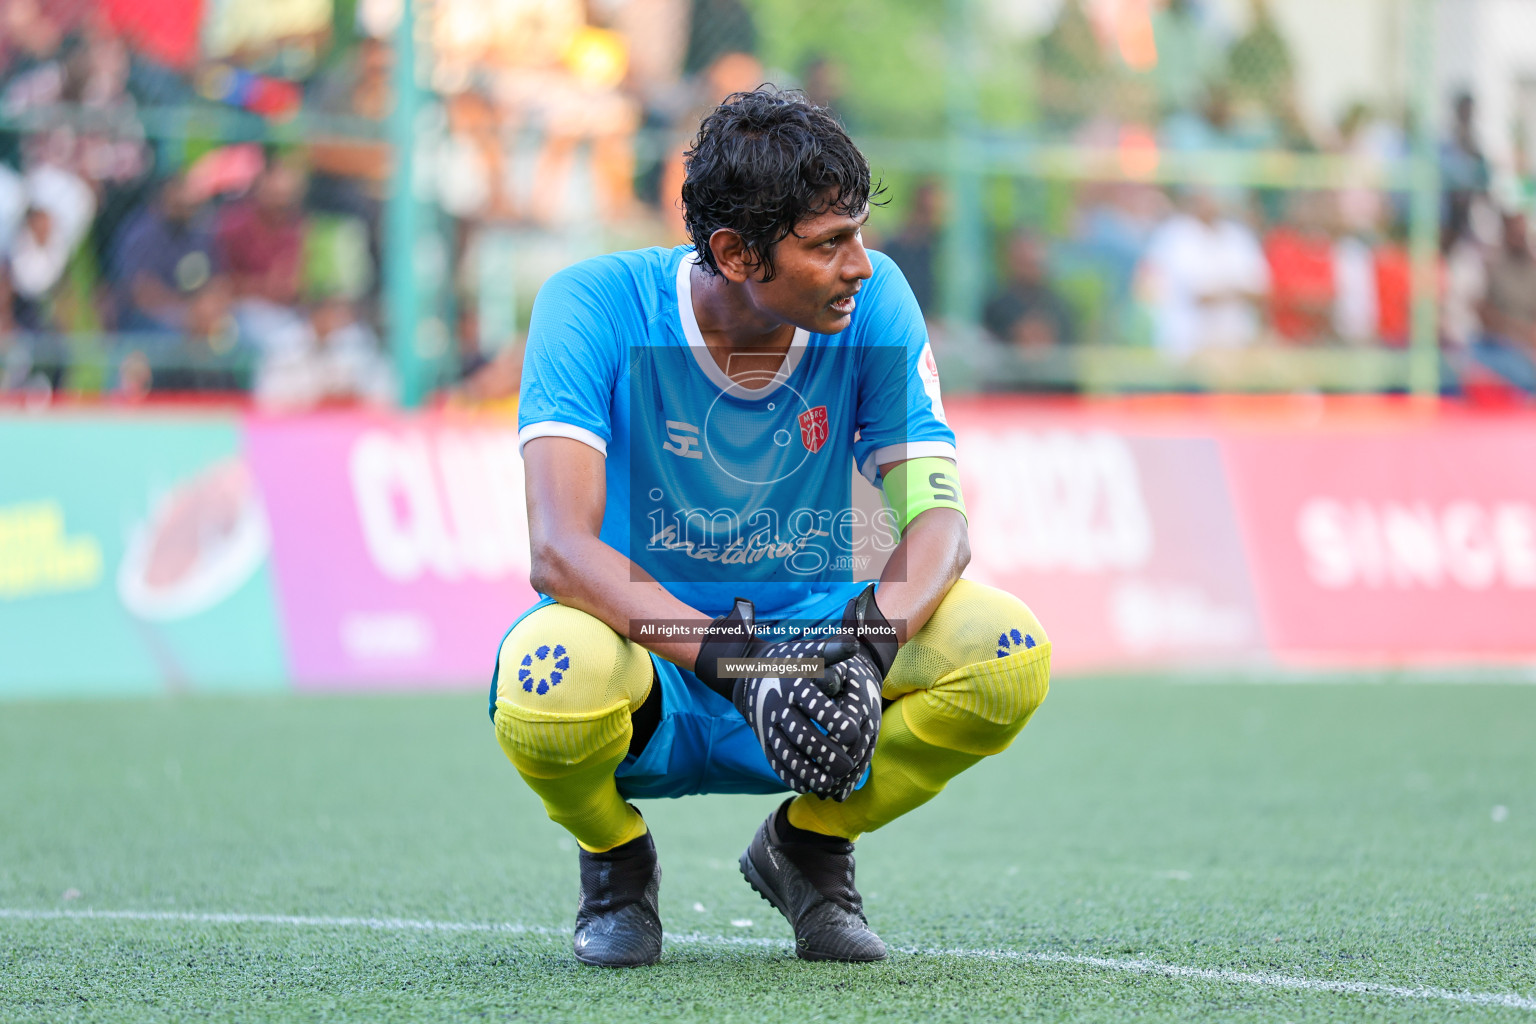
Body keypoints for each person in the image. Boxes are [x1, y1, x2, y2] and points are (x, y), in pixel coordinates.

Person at [491, 89, 1052, 967]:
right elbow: (560, 549)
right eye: (830, 243)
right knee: (548, 675)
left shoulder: (877, 303)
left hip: (818, 661)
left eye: (860, 233)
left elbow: (940, 522)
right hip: (658, 664)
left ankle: (808, 849)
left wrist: (866, 649)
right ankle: (614, 861)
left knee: (1008, 651)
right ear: (735, 251)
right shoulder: (591, 304)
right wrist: (742, 668)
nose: (861, 265)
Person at [1139, 186, 1269, 359]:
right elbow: (1198, 296)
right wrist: (1234, 290)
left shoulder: (1237, 235)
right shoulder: (1174, 235)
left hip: (1238, 340)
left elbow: (1260, 291)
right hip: (1187, 343)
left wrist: (1225, 291)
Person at [1471, 210, 1536, 394]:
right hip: (1499, 345)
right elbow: (1482, 311)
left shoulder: (1532, 267)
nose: (1519, 234)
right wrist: (1519, 334)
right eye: (1514, 229)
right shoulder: (1491, 265)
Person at [983, 229, 1076, 348]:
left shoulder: (1060, 306)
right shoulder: (996, 306)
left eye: (1033, 260)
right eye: (1022, 259)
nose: (1029, 260)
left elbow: (1068, 352)